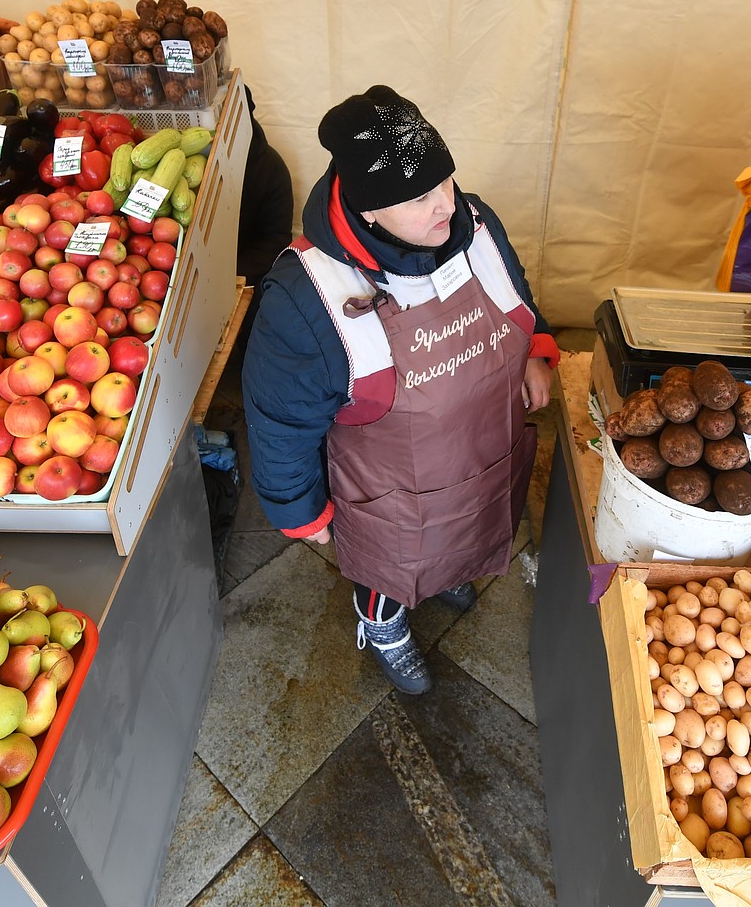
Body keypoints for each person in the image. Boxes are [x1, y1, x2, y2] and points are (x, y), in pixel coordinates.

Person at [242, 85, 558, 694]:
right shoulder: (304, 295)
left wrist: (536, 352)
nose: (446, 206)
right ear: (369, 212)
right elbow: (280, 422)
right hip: (390, 492)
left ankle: (444, 571)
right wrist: (301, 514)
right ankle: (382, 622)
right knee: (392, 563)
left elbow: (515, 296)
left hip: (482, 447)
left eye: (446, 182)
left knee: (462, 528)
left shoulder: (475, 222)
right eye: (419, 197)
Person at [235, 84, 295, 340]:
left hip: (247, 270)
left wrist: (226, 274)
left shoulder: (269, 167)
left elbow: (277, 240)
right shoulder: (194, 161)